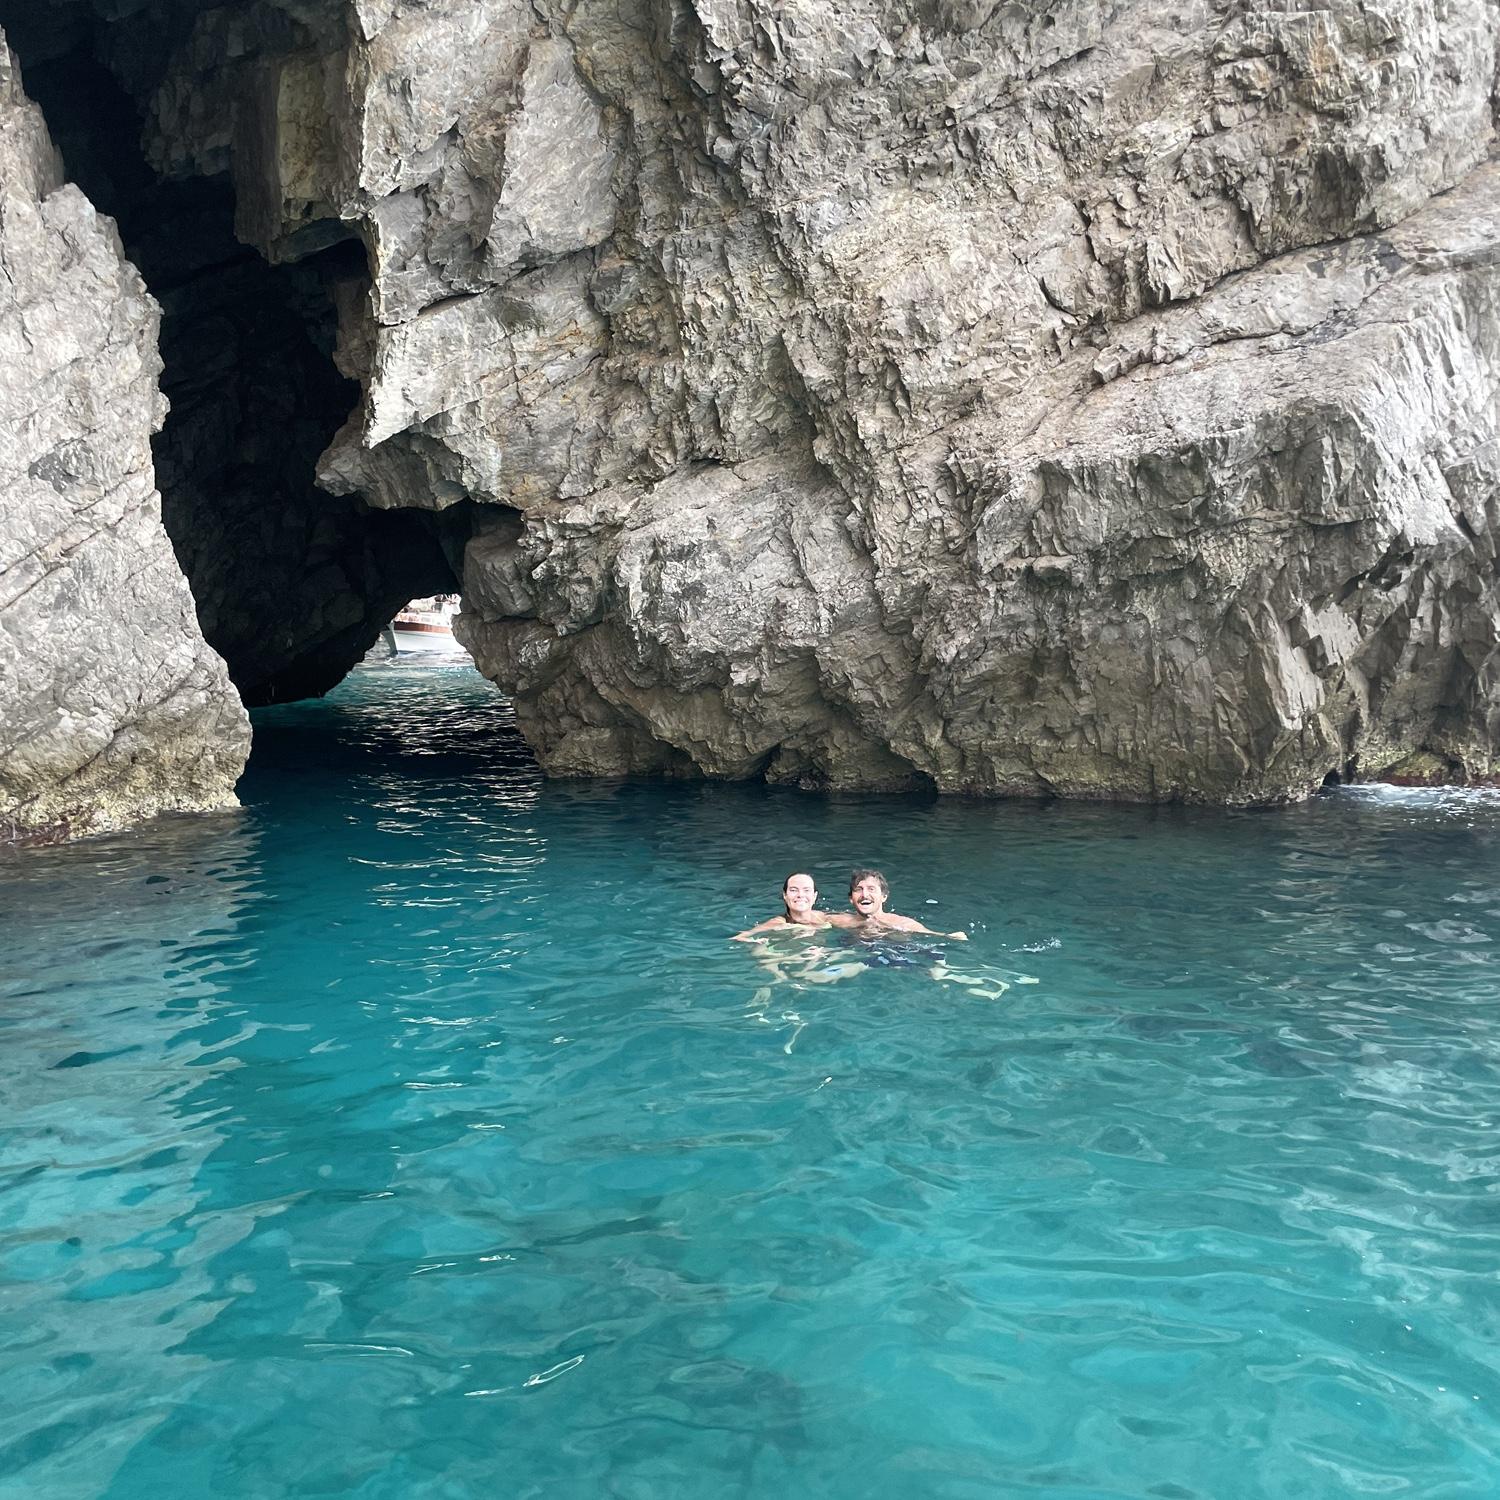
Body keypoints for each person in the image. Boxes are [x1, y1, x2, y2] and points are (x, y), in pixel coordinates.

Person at [828, 868, 968, 940]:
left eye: (871, 889)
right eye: (859, 890)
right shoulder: (840, 920)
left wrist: (949, 936)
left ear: (884, 897)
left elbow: (929, 934)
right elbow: (812, 918)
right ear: (851, 899)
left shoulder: (900, 922)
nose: (864, 894)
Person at [732, 871, 835, 941]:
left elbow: (851, 922)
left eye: (806, 890)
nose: (800, 895)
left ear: (814, 896)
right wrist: (755, 943)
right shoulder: (778, 923)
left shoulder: (825, 917)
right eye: (793, 890)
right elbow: (739, 937)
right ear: (785, 896)